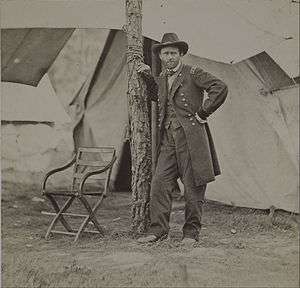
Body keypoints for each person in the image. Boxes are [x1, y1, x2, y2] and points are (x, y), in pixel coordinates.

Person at [137, 33, 228, 245]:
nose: (169, 57)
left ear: (181, 54)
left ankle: (191, 233)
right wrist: (149, 77)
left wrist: (203, 112)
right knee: (159, 184)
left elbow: (220, 87)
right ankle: (158, 231)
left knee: (193, 188)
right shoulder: (161, 78)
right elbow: (157, 98)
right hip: (167, 140)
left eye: (173, 53)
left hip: (191, 140)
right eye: (165, 53)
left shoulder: (193, 73)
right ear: (160, 56)